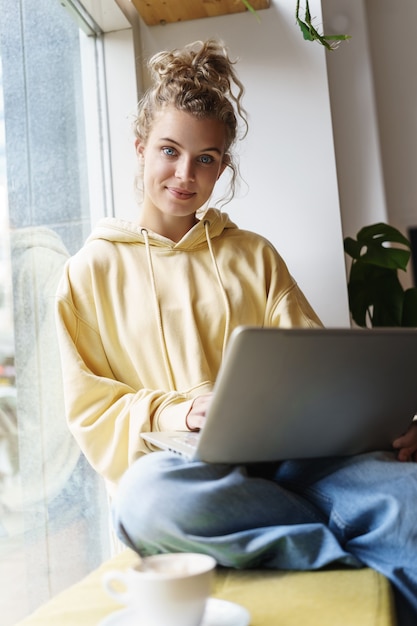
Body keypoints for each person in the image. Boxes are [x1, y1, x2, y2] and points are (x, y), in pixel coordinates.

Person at [55, 39, 417, 625]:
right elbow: (91, 408)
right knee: (148, 501)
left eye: (206, 158)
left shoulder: (253, 254)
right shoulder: (87, 271)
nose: (185, 173)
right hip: (198, 477)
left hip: (304, 464)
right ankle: (351, 570)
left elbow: (322, 369)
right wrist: (181, 411)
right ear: (141, 147)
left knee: (413, 502)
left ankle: (314, 535)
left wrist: (396, 423)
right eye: (170, 151)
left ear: (223, 165)